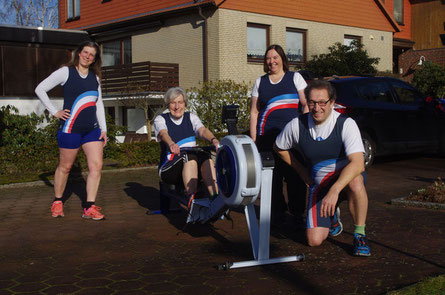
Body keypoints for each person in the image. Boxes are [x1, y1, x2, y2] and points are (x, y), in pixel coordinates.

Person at [274, 80, 371, 256]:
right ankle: (332, 218)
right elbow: (279, 147)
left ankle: (360, 235)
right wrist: (302, 171)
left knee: (356, 181)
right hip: (319, 185)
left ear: (332, 103)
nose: (316, 108)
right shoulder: (297, 125)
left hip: (345, 181)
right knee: (314, 241)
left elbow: (357, 163)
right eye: (312, 102)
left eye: (322, 103)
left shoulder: (346, 124)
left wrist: (334, 191)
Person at [35, 41, 107, 221]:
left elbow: (98, 104)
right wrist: (54, 112)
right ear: (79, 53)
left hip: (92, 130)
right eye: (85, 52)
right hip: (70, 128)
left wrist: (104, 129)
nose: (87, 56)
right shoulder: (65, 72)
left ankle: (89, 206)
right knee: (65, 167)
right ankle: (58, 201)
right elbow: (40, 89)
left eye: (91, 54)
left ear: (94, 59)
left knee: (96, 166)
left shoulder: (95, 77)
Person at [249, 44, 308, 227]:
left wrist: (303, 129)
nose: (271, 61)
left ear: (282, 59)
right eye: (268, 58)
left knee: (295, 176)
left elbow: (306, 104)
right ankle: (278, 212)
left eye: (275, 57)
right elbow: (254, 112)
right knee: (271, 179)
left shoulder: (295, 78)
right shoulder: (260, 82)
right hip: (266, 138)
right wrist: (253, 139)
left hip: (292, 138)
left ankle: (297, 214)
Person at [154, 87, 219, 207]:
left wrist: (214, 140)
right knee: (189, 156)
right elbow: (163, 133)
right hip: (169, 168)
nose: (177, 107)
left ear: (185, 104)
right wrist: (172, 144)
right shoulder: (161, 119)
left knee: (205, 156)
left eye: (180, 102)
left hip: (190, 162)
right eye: (173, 103)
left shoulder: (191, 117)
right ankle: (192, 199)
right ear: (168, 105)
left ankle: (215, 196)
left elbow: (202, 130)